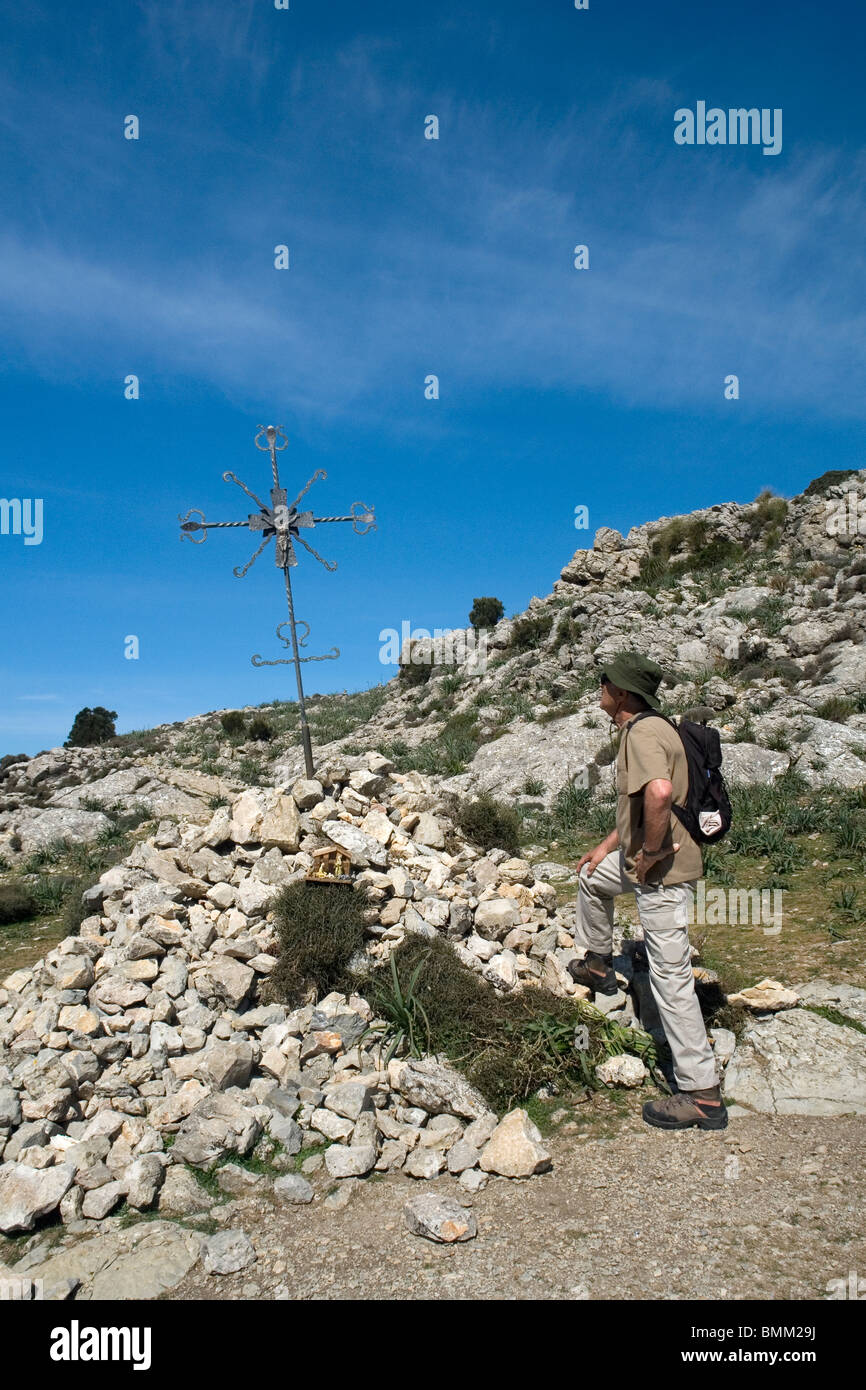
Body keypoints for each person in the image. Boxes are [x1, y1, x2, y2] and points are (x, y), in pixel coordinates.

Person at [571, 651, 727, 1131]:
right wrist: (606, 848)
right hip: (643, 863)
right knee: (592, 879)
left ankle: (701, 1094)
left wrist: (654, 853)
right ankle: (598, 964)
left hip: (661, 872)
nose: (599, 689)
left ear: (621, 693)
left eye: (604, 683)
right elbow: (644, 805)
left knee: (670, 976)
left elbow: (659, 795)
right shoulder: (650, 729)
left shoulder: (642, 733)